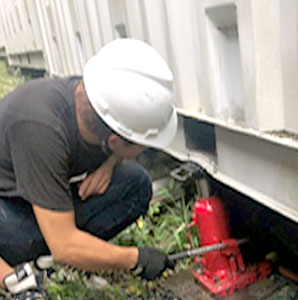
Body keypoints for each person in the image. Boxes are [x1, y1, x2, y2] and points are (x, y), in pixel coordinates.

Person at [0, 39, 178, 300]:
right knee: (42, 241)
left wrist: (109, 164)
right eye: (145, 147)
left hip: (39, 196)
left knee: (135, 184)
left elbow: (118, 153)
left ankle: (59, 255)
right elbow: (64, 245)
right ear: (116, 141)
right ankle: (36, 263)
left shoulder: (95, 99)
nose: (146, 153)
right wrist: (135, 258)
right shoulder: (40, 128)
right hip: (7, 210)